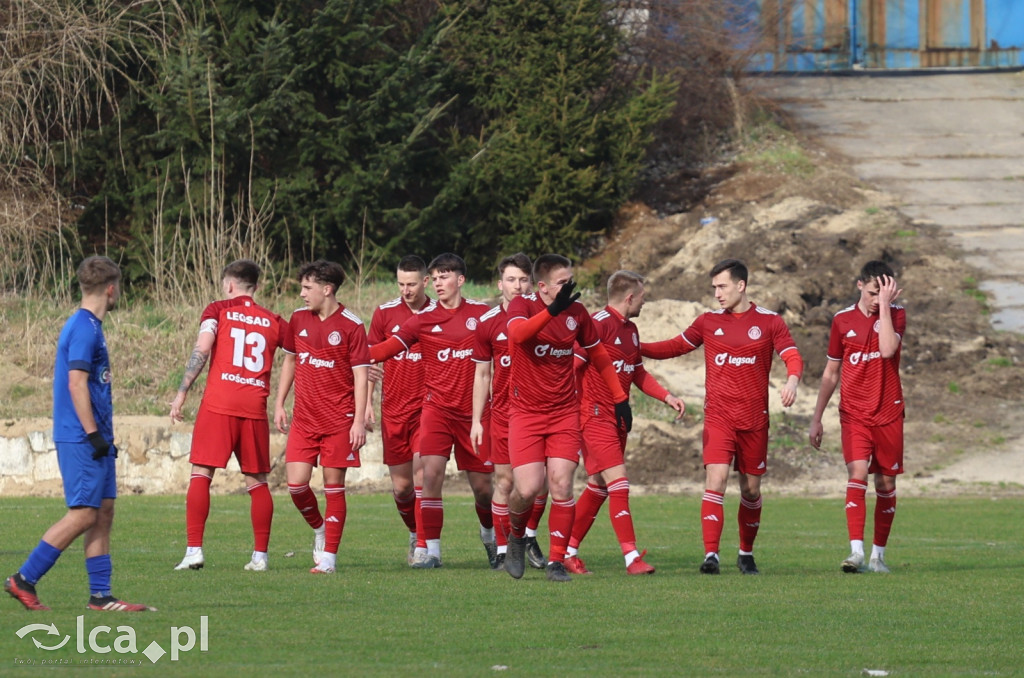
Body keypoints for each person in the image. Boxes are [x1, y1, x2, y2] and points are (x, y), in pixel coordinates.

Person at [5, 256, 150, 612]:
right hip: (82, 437)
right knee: (84, 513)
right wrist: (93, 435)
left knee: (103, 511)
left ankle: (101, 596)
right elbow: (76, 383)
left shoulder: (89, 325)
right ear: (111, 289)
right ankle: (23, 579)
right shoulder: (84, 328)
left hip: (95, 436)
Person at [641, 259, 802, 575]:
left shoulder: (770, 322)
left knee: (750, 491)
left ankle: (745, 553)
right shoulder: (707, 322)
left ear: (741, 286)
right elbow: (674, 346)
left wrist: (792, 379)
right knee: (715, 482)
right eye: (714, 287)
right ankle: (711, 556)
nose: (716, 293)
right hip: (719, 418)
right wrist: (638, 347)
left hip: (755, 420)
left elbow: (791, 355)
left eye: (722, 286)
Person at [504, 254, 633, 582]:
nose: (569, 288)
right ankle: (517, 537)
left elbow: (599, 354)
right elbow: (518, 336)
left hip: (563, 413)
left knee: (562, 485)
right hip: (526, 414)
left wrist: (620, 399)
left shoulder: (577, 313)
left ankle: (557, 561)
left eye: (571, 281)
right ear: (543, 287)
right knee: (528, 489)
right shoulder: (522, 306)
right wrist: (551, 311)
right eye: (562, 283)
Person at [370, 253, 494, 569]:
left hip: (473, 414)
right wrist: (349, 353)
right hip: (436, 409)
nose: (438, 283)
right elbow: (387, 348)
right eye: (435, 277)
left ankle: (490, 534)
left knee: (483, 489)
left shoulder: (482, 314)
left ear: (461, 280)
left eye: (444, 276)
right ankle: (431, 551)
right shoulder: (423, 320)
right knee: (429, 475)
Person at [170, 259, 289, 572]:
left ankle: (194, 550)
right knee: (257, 481)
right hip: (253, 407)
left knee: (201, 474)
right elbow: (298, 353)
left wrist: (182, 391)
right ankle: (260, 557)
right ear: (256, 287)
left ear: (229, 285)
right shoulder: (274, 320)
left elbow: (203, 347)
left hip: (219, 404)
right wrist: (282, 402)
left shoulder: (218, 309)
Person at [566, 271, 685, 576]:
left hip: (617, 419)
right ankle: (632, 558)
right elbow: (572, 368)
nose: (644, 302)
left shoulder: (631, 330)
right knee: (620, 484)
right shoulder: (596, 325)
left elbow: (638, 373)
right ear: (630, 297)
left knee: (599, 486)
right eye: (643, 297)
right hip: (593, 417)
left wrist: (666, 396)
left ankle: (567, 551)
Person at [808, 261, 905, 574]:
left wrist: (887, 308)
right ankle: (856, 553)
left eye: (884, 293)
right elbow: (831, 371)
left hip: (889, 411)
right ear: (860, 285)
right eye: (874, 293)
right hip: (854, 414)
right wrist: (817, 417)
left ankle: (878, 556)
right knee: (858, 474)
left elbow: (888, 349)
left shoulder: (896, 314)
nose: (878, 299)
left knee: (886, 482)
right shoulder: (841, 320)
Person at [274, 261, 370, 574]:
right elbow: (289, 361)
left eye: (307, 288)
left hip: (339, 421)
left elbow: (361, 375)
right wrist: (279, 403)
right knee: (296, 486)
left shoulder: (352, 325)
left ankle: (328, 558)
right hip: (304, 419)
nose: (302, 294)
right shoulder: (298, 319)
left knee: (333, 487)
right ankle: (319, 528)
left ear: (326, 289)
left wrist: (358, 421)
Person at [470, 253, 548, 571]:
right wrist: (477, 419)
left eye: (523, 280)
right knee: (504, 482)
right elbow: (482, 375)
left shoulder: (543, 316)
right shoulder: (488, 322)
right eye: (511, 279)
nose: (518, 286)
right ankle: (504, 550)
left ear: (532, 283)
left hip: (538, 412)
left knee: (539, 484)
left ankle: (527, 535)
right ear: (499, 283)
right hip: (503, 413)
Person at [365, 256, 430, 563]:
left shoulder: (438, 313)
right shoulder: (385, 314)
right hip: (394, 411)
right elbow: (369, 364)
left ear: (426, 282)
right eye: (401, 284)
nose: (406, 290)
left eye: (412, 284)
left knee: (421, 477)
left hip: (428, 411)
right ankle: (415, 532)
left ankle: (423, 548)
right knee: (402, 488)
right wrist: (366, 405)